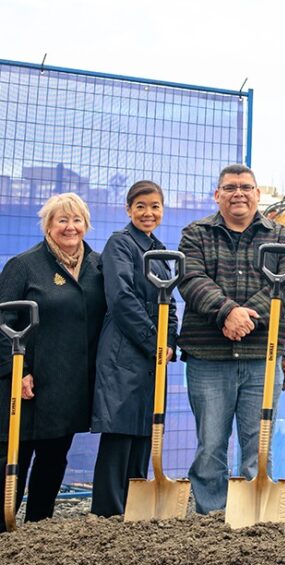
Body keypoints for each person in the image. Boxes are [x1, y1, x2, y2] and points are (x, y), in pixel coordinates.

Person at [177, 164, 285, 515]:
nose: (238, 194)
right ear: (217, 195)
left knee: (258, 444)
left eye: (246, 187)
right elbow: (191, 278)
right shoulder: (196, 234)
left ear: (258, 194)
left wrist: (246, 317)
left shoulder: (281, 236)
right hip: (209, 357)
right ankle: (212, 514)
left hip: (262, 356)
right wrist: (226, 312)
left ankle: (252, 518)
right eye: (229, 187)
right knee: (211, 444)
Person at [0, 193, 106, 531]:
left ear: (86, 225)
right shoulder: (24, 265)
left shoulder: (98, 266)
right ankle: (4, 531)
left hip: (70, 386)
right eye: (62, 220)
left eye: (76, 220)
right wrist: (17, 371)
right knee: (14, 460)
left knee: (53, 461)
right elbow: (3, 323)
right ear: (48, 225)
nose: (70, 227)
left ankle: (38, 533)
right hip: (29, 386)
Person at [90, 181, 178, 517]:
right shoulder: (120, 245)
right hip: (124, 352)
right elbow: (121, 298)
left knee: (145, 430)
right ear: (128, 209)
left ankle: (135, 512)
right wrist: (153, 341)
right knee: (120, 432)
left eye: (155, 206)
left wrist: (169, 342)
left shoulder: (160, 250)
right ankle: (109, 514)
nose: (148, 213)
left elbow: (169, 302)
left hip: (153, 354)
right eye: (140, 206)